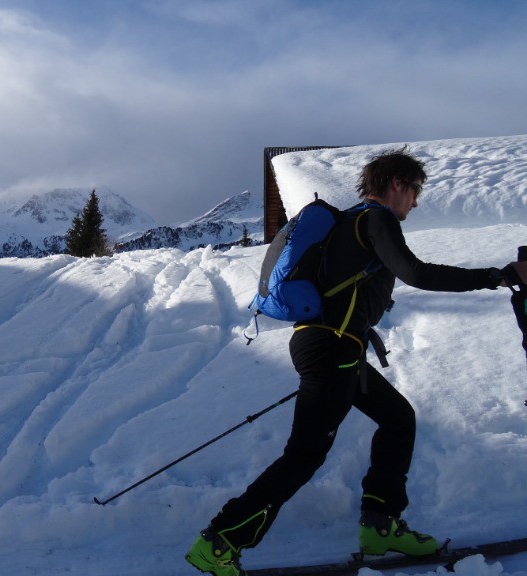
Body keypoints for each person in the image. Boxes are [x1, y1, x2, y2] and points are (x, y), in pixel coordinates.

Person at [185, 148, 519, 576]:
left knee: (398, 418)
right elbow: (416, 273)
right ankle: (220, 540)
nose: (415, 202)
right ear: (397, 184)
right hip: (332, 350)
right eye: (415, 191)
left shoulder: (349, 222)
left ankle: (380, 526)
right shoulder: (374, 219)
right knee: (305, 454)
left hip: (331, 347)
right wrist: (496, 276)